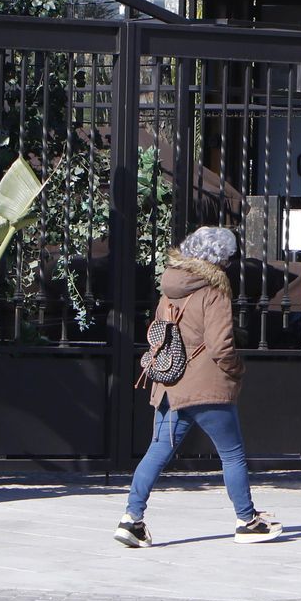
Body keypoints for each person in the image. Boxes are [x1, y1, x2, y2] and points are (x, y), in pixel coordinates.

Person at [115, 226, 283, 547]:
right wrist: (237, 370)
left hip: (170, 385)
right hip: (206, 387)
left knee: (157, 451)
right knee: (232, 455)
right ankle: (247, 521)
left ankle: (131, 519)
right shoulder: (213, 290)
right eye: (228, 258)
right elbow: (220, 346)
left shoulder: (170, 287)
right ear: (219, 259)